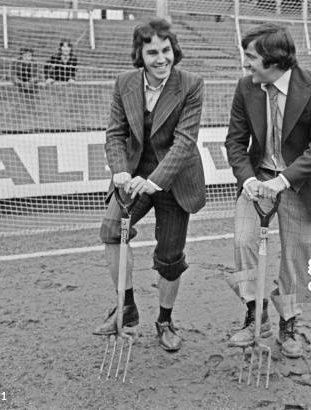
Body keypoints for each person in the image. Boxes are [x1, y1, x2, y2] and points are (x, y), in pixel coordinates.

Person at [92, 19, 206, 352]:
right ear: (139, 54)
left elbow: (184, 143)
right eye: (152, 51)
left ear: (174, 51)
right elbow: (115, 134)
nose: (161, 58)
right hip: (133, 174)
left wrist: (153, 181)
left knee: (169, 257)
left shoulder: (191, 84)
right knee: (111, 229)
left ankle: (165, 320)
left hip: (175, 179)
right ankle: (126, 307)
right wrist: (119, 171)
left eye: (166, 50)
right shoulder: (125, 82)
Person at [224, 23, 311, 359]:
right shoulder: (246, 88)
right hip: (257, 179)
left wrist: (283, 179)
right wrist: (248, 179)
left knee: (294, 255)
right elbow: (234, 141)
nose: (246, 65)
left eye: (251, 58)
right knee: (243, 240)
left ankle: (288, 321)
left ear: (273, 62)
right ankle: (255, 315)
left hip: (299, 182)